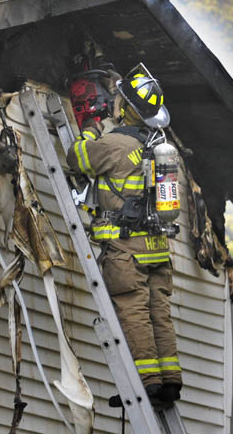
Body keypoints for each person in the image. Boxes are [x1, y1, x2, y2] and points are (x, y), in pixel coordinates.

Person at [66, 64, 182, 406]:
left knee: (133, 311)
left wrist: (89, 128)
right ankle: (171, 381)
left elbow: (77, 158)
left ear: (127, 107)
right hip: (158, 247)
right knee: (159, 313)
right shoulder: (159, 146)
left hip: (126, 248)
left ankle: (148, 383)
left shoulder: (114, 144)